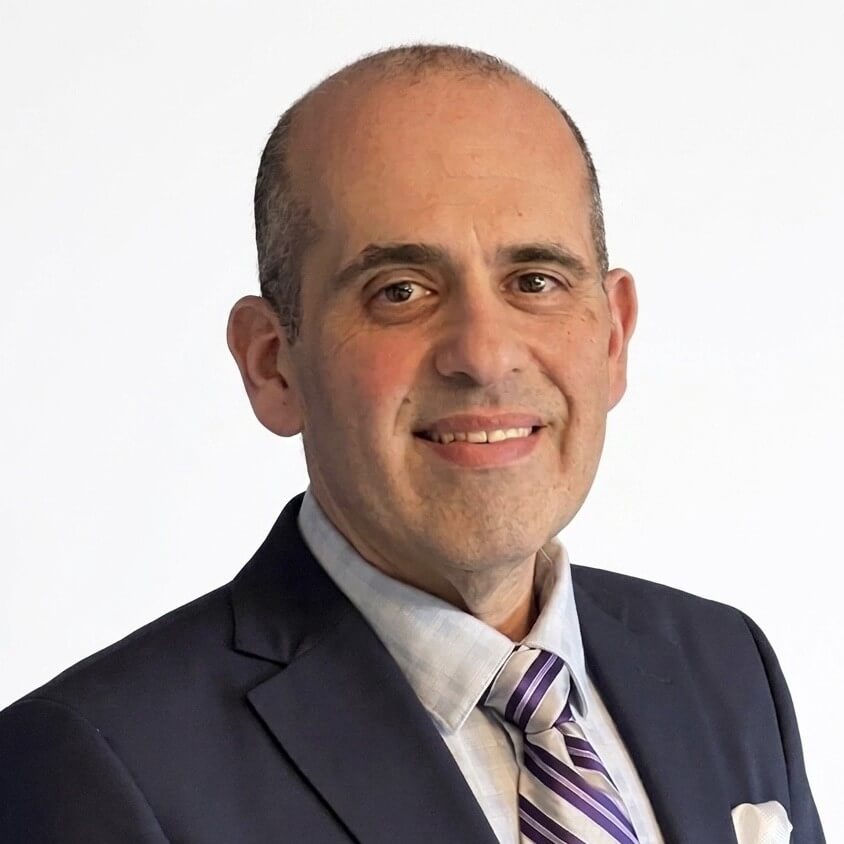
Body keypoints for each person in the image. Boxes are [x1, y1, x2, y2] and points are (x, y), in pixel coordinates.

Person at [0, 44, 824, 844]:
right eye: (400, 291)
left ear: (614, 338)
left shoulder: (725, 667)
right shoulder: (95, 767)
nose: (484, 353)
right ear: (271, 364)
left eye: (534, 282)